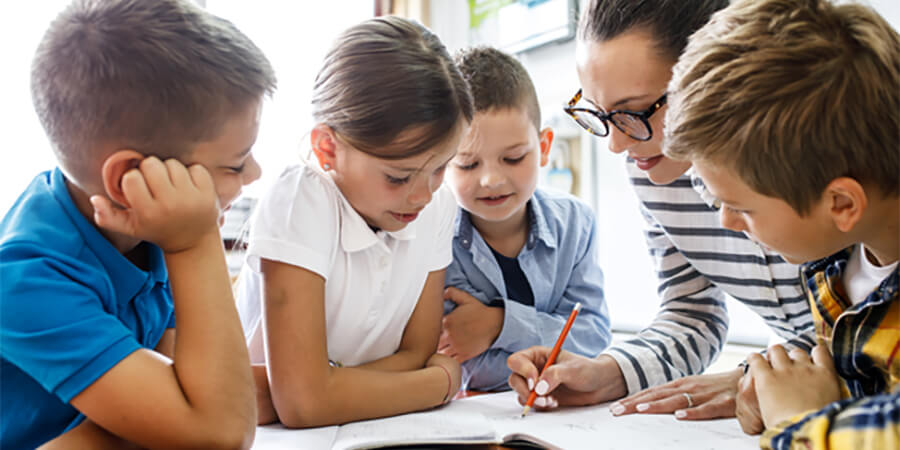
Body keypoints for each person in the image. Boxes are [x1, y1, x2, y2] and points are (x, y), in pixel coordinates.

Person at [507, 0, 817, 421]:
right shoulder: (651, 167)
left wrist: (756, 373)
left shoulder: (824, 155)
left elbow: (869, 325)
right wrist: (609, 373)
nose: (616, 145)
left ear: (716, 73)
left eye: (634, 113)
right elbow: (693, 313)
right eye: (599, 114)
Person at [0, 0, 276, 448]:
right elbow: (222, 433)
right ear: (129, 179)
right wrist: (194, 244)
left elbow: (197, 393)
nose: (255, 175)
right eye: (235, 164)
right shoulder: (25, 279)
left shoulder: (142, 229)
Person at [664, 0, 899, 446]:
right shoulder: (834, 263)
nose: (727, 222)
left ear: (842, 204)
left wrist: (799, 421)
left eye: (742, 207)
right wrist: (785, 383)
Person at [235, 16, 473, 427]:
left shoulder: (437, 206)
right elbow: (303, 405)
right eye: (397, 177)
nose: (422, 194)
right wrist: (440, 384)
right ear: (328, 148)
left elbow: (415, 352)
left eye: (441, 168)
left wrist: (316, 388)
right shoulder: (302, 198)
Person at [439, 46, 610, 393]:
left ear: (544, 147)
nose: (491, 180)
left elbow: (592, 337)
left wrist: (500, 325)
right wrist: (552, 353)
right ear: (441, 161)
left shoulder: (576, 223)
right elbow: (462, 361)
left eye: (513, 158)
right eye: (468, 164)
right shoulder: (436, 237)